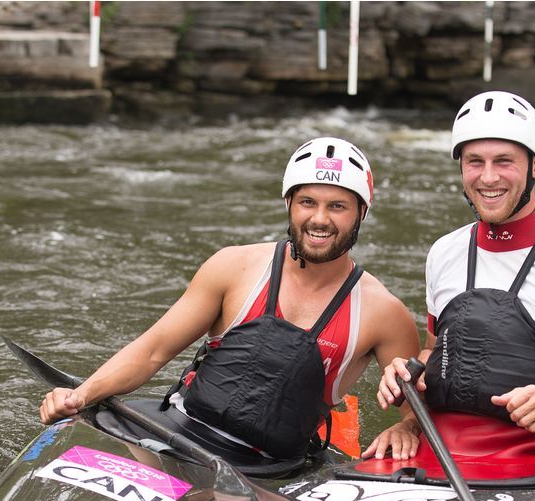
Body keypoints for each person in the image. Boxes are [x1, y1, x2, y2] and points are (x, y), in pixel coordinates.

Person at [40, 137, 419, 471]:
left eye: (337, 206)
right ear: (289, 203)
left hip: (271, 468)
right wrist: (81, 395)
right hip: (176, 432)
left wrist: (405, 426)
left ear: (361, 213)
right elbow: (153, 351)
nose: (319, 219)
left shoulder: (384, 314)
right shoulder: (234, 267)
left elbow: (416, 409)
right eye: (307, 202)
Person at [363, 91, 535, 481]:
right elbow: (436, 350)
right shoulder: (444, 252)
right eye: (475, 162)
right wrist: (409, 385)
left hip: (534, 467)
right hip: (433, 456)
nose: (488, 177)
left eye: (504, 162)